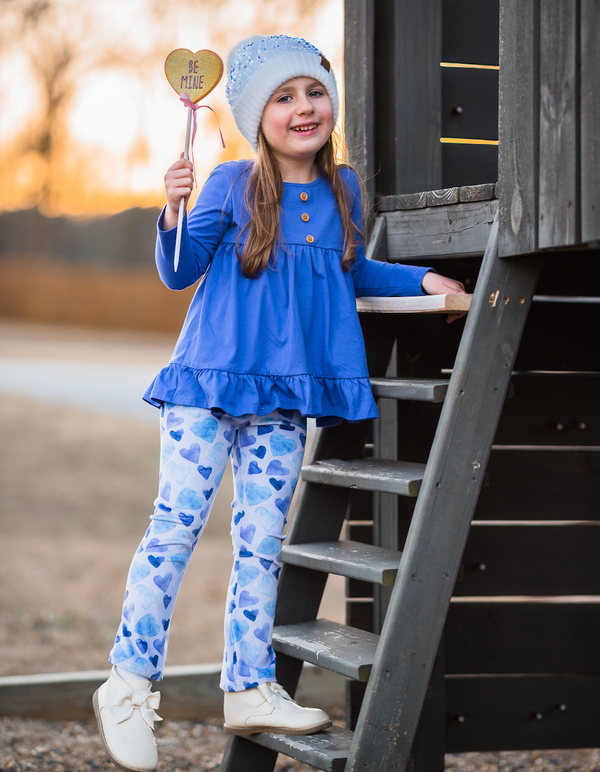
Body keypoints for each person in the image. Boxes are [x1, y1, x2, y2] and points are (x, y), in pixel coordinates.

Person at [93, 34, 465, 772]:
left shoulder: (345, 192)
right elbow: (180, 271)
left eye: (314, 92)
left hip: (283, 399)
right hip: (205, 386)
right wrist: (170, 214)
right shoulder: (232, 185)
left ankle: (249, 684)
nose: (304, 108)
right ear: (255, 115)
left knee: (263, 543)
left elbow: (353, 270)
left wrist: (423, 281)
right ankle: (129, 681)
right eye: (284, 97)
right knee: (175, 529)